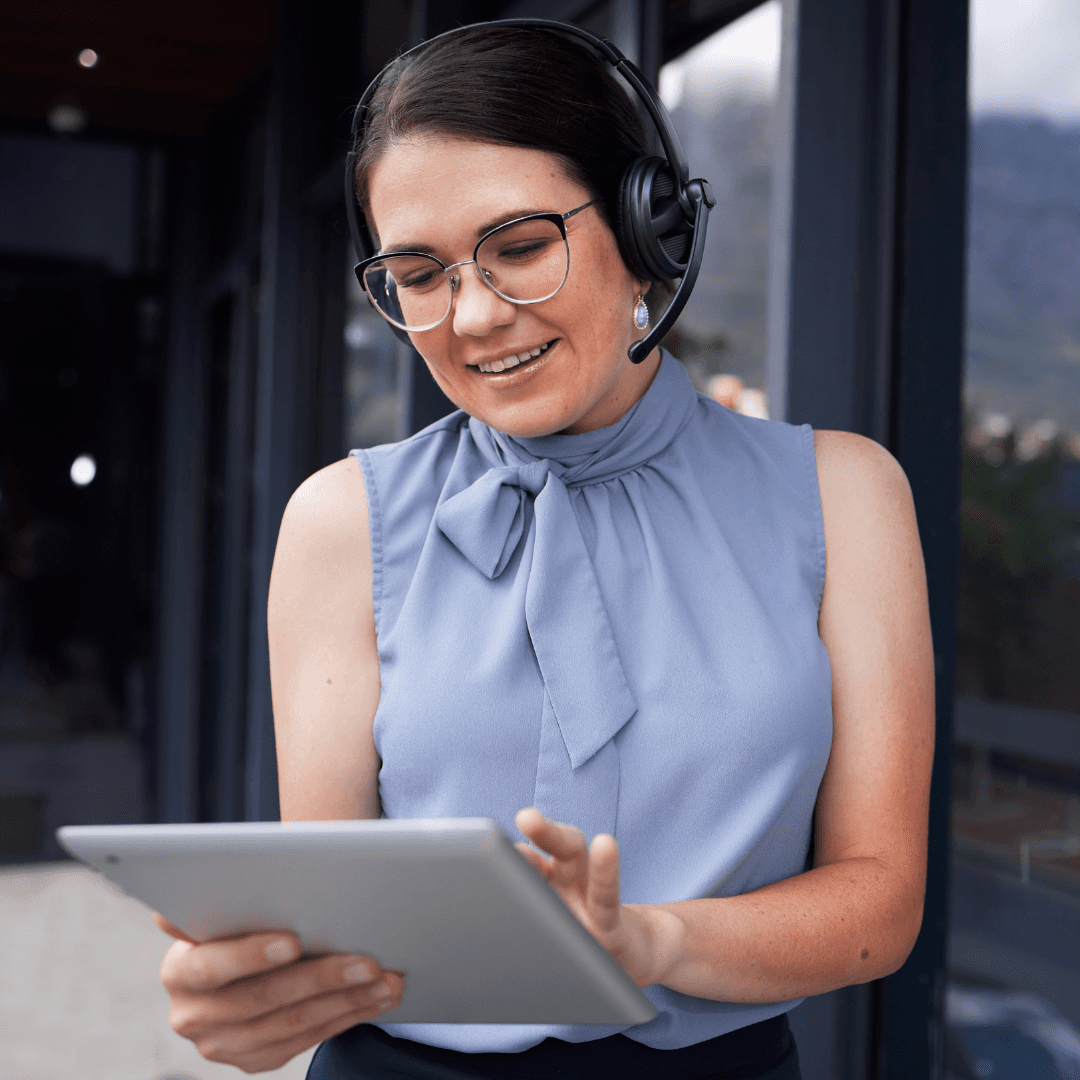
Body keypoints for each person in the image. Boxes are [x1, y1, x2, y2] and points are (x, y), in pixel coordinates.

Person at [156, 23, 934, 1080]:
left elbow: (878, 903)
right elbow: (337, 914)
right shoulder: (342, 522)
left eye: (519, 247)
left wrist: (652, 943)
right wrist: (260, 995)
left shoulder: (844, 495)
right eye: (419, 274)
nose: (474, 317)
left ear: (647, 228)